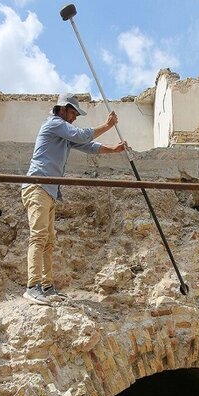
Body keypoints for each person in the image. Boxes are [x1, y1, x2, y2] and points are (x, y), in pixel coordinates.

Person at [22, 93, 125, 305]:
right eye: (73, 113)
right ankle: (33, 287)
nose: (75, 117)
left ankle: (47, 286)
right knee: (39, 236)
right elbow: (82, 136)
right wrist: (107, 125)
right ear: (62, 109)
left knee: (49, 240)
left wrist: (113, 150)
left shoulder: (64, 135)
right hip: (38, 186)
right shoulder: (54, 124)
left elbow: (88, 146)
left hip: (49, 190)